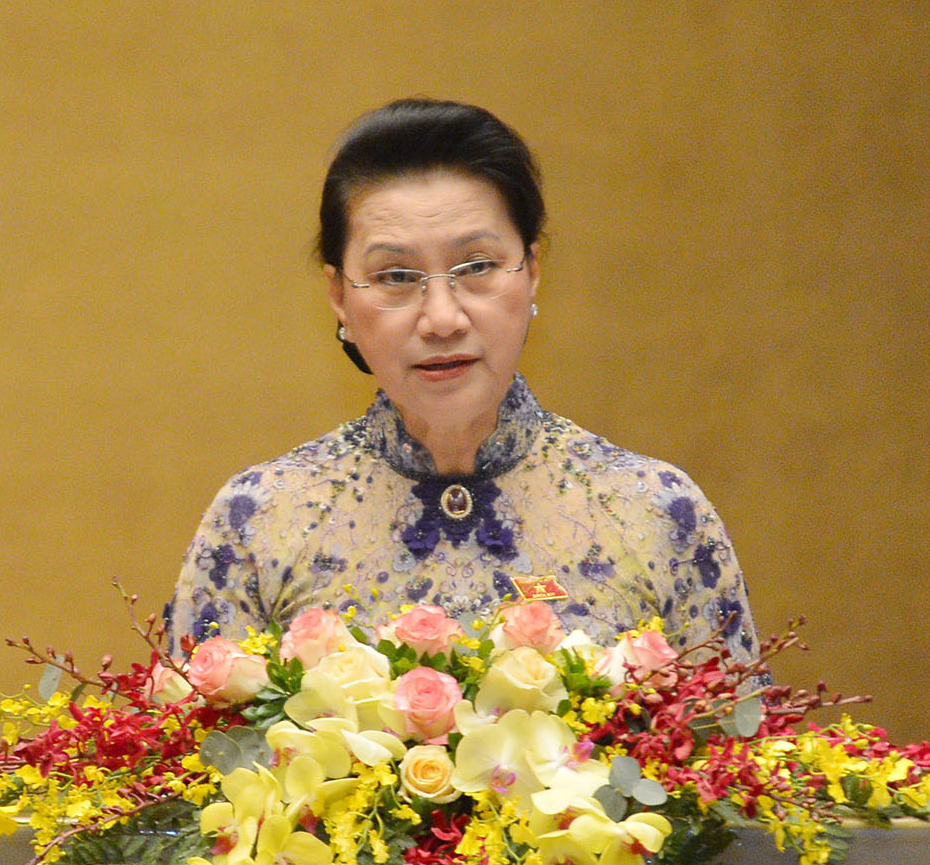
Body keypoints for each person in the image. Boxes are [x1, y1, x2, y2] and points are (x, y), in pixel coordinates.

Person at [166, 99, 759, 658]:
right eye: (396, 276)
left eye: (476, 267)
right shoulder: (258, 521)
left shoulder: (657, 513)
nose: (443, 319)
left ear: (532, 273)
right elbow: (187, 734)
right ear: (339, 297)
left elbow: (732, 735)